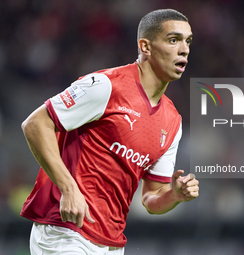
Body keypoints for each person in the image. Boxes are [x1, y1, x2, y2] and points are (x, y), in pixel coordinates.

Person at [20, 9, 199, 255]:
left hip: (110, 243)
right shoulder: (106, 86)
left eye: (187, 41)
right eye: (173, 40)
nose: (184, 49)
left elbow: (152, 199)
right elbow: (35, 124)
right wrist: (69, 188)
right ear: (145, 47)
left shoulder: (173, 122)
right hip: (65, 230)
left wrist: (175, 196)